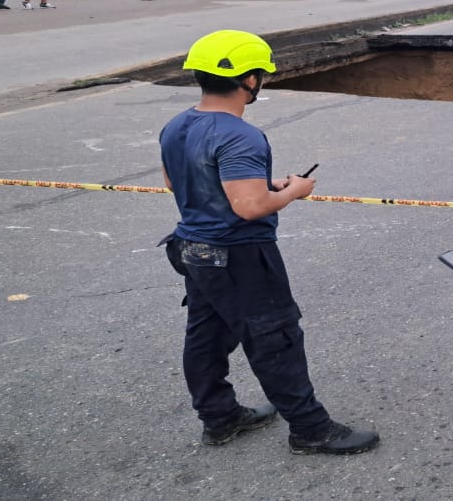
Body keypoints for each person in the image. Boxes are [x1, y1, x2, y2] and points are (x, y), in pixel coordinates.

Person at [158, 30, 379, 455]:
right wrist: (295, 189)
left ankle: (219, 418)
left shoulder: (178, 125)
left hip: (193, 249)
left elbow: (177, 181)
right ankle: (311, 429)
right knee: (274, 338)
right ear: (250, 80)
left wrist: (260, 184)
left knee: (206, 336)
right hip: (239, 255)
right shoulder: (240, 134)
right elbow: (249, 207)